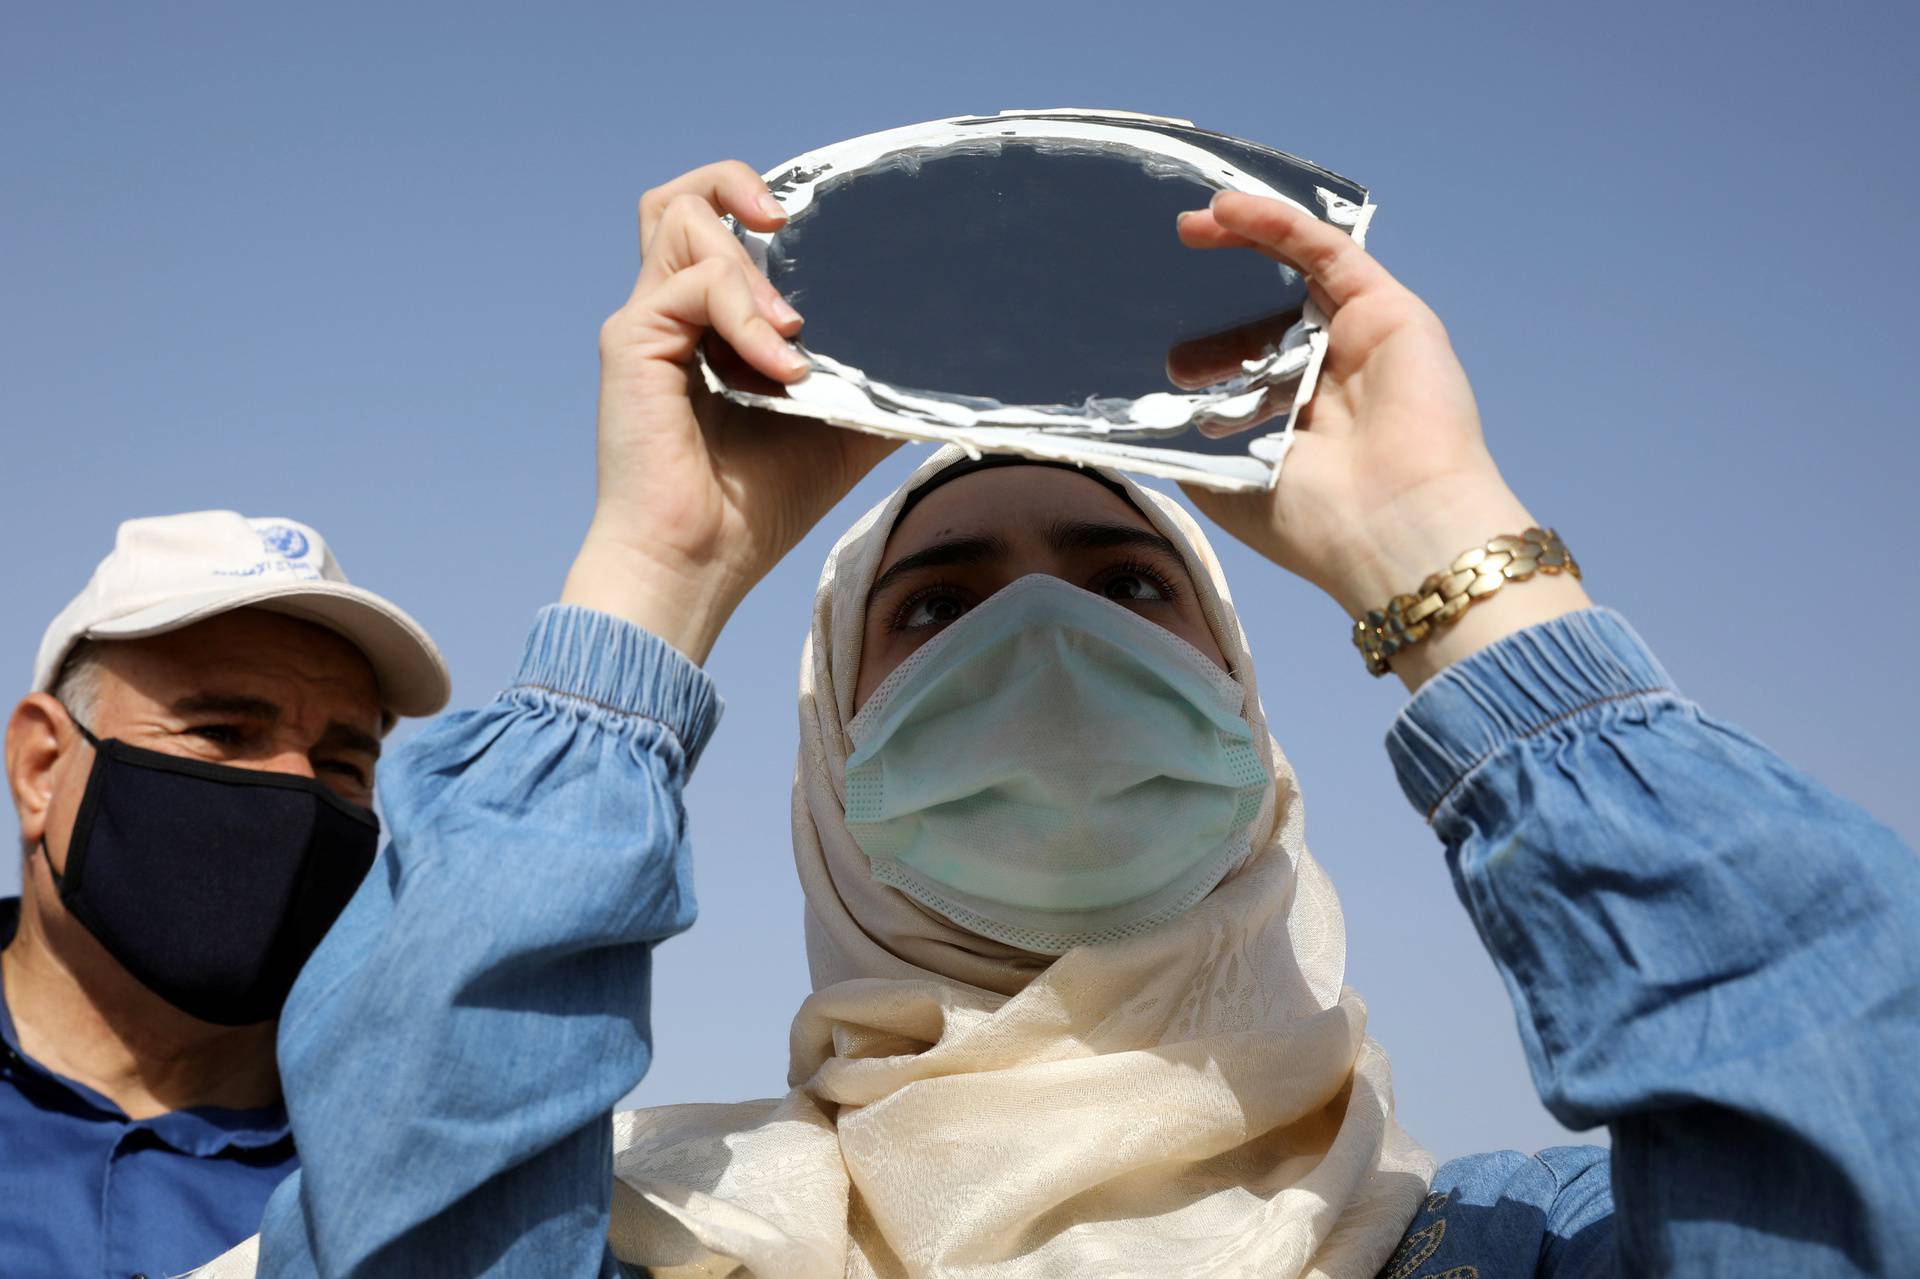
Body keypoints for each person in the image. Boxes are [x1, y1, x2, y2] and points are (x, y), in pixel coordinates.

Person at [202, 164, 1918, 1277]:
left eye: (1128, 578)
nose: (1042, 635)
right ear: (825, 759)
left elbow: (1850, 1119)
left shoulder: (1505, 1247)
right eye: (935, 605)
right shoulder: (660, 1236)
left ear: (1252, 708)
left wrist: (1452, 561)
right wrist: (657, 573)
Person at [1, 512, 451, 1279]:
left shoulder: (422, 1176)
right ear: (42, 767)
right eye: (222, 731)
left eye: (343, 764)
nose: (294, 787)